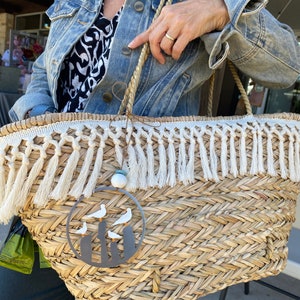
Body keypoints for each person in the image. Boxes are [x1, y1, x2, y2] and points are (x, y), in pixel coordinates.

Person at [4, 0, 300, 298]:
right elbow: (44, 71)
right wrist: (43, 126)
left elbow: (287, 66)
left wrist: (220, 11)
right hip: (53, 199)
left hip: (149, 217)